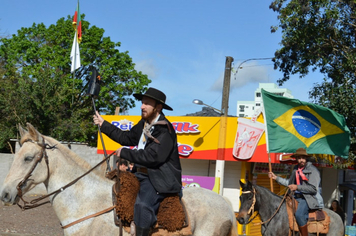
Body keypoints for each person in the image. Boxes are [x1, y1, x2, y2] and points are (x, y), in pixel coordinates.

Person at [93, 87, 182, 236]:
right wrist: (104, 124)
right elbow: (126, 138)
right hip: (139, 174)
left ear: (158, 107)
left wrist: (126, 152)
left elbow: (153, 157)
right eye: (142, 103)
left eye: (147, 103)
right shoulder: (144, 124)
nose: (142, 106)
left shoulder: (166, 130)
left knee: (142, 206)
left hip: (158, 179)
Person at [268, 147, 324, 236]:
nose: (301, 160)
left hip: (307, 198)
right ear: (296, 159)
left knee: (299, 215)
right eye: (299, 158)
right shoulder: (295, 169)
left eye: (303, 158)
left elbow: (313, 189)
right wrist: (276, 178)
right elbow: (290, 183)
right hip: (294, 196)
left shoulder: (313, 171)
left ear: (306, 158)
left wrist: (297, 187)